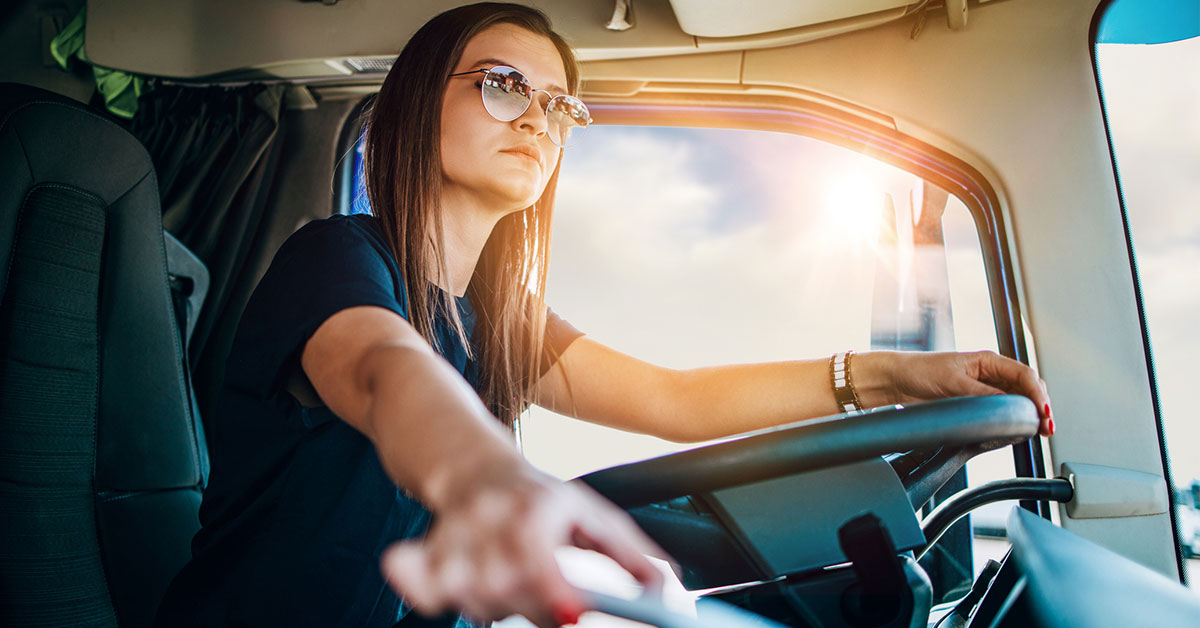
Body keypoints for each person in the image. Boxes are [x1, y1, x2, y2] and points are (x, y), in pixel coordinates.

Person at [154, 3, 1054, 628]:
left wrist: (889, 376)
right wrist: (490, 482)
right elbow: (389, 375)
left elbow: (676, 399)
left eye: (558, 106)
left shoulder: (499, 320)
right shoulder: (337, 258)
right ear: (415, 100)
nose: (539, 122)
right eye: (505, 87)